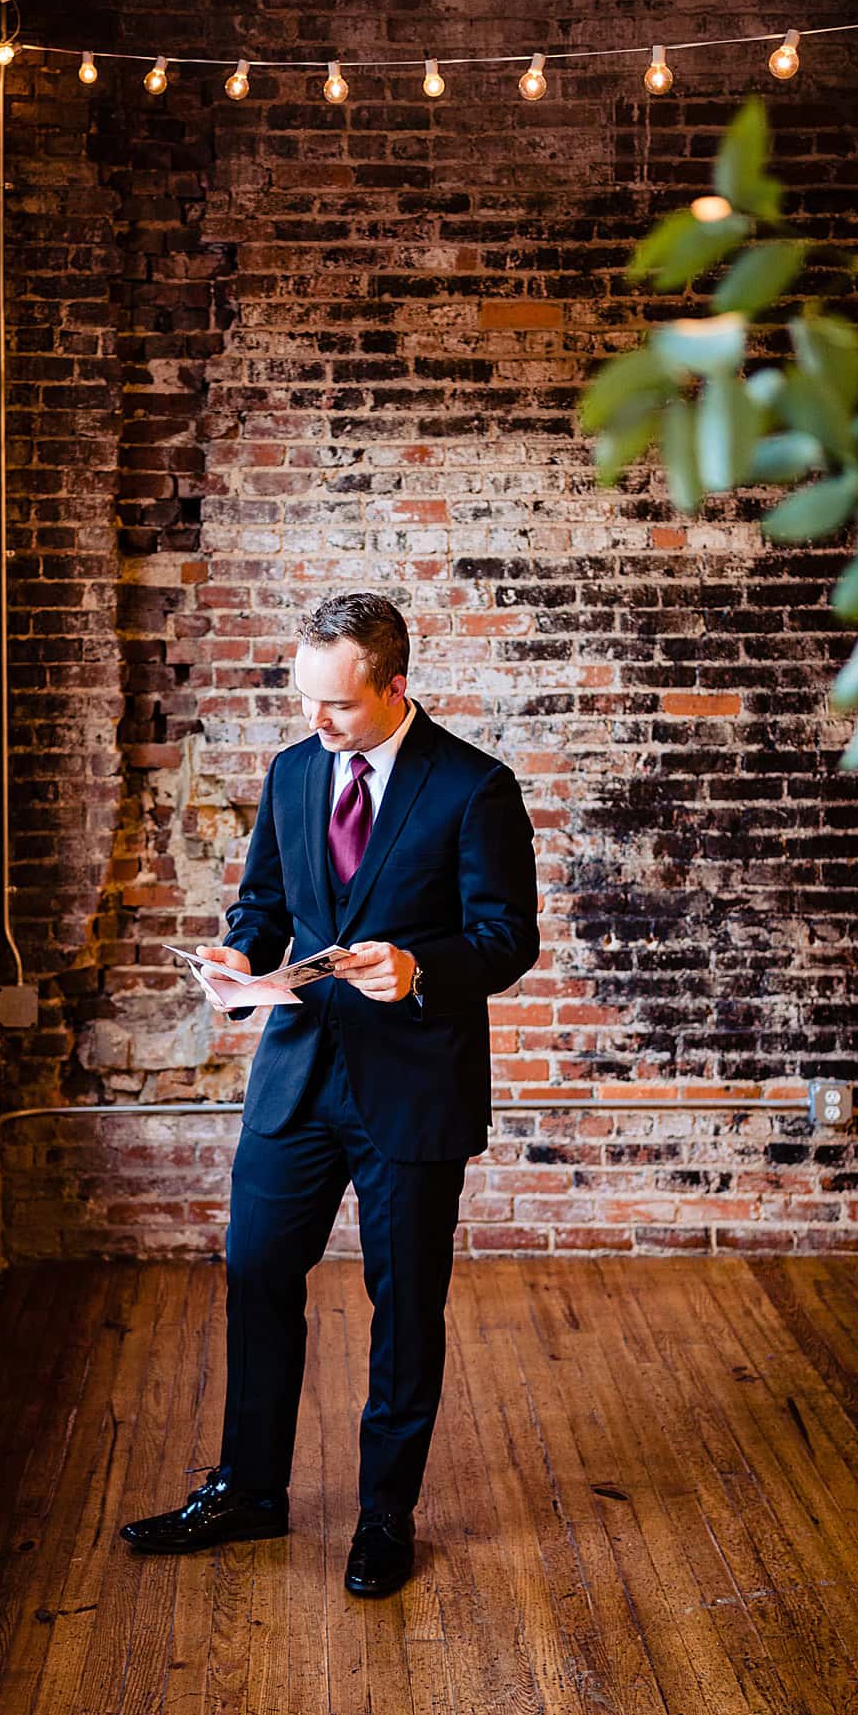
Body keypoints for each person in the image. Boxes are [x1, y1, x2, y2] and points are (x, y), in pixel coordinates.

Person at [119, 590, 539, 1596]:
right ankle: (249, 1489)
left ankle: (385, 1515)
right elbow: (267, 903)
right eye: (304, 700)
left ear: (395, 686)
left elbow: (506, 939)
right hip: (297, 1071)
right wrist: (236, 956)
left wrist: (419, 966)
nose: (316, 723)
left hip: (412, 1089)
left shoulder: (475, 789)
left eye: (337, 706)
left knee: (405, 1307)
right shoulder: (293, 772)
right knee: (257, 1267)